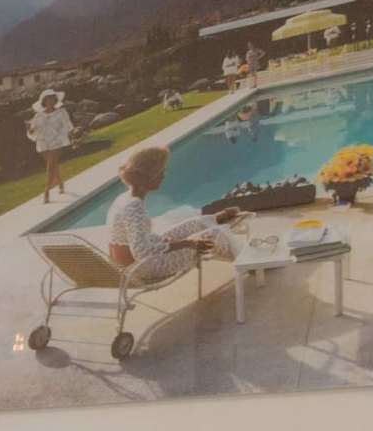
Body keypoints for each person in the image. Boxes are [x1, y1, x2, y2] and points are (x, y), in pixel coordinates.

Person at [104, 144, 233, 294]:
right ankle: (247, 260)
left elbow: (136, 240)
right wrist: (188, 243)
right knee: (213, 235)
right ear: (149, 175)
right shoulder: (134, 207)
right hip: (142, 269)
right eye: (160, 171)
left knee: (195, 224)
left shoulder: (124, 198)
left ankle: (215, 218)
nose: (164, 175)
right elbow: (142, 252)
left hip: (129, 265)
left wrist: (171, 242)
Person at [25, 88, 78, 201]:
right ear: (44, 101)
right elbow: (33, 130)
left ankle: (46, 192)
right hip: (43, 143)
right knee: (53, 166)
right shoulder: (38, 116)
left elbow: (68, 126)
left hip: (57, 141)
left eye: (53, 98)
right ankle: (60, 185)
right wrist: (30, 130)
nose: (51, 101)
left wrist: (73, 139)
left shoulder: (62, 112)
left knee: (50, 166)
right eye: (49, 99)